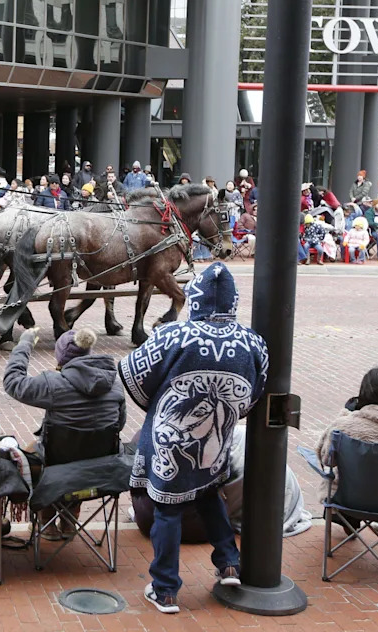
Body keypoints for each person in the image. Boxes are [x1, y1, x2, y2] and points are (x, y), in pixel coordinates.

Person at [117, 262, 268, 614]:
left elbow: (134, 374)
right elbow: (254, 394)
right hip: (215, 441)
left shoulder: (174, 335)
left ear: (196, 298)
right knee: (208, 494)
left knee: (167, 510)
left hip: (171, 437)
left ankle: (166, 589)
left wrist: (162, 403)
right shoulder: (253, 342)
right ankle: (229, 562)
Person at [3, 325, 124, 538]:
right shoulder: (114, 383)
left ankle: (46, 521)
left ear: (61, 358)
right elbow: (119, 424)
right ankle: (69, 521)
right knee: (80, 454)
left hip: (57, 462)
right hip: (102, 464)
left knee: (32, 455)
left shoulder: (54, 383)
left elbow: (13, 382)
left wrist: (25, 344)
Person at [316, 367, 378, 502]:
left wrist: (344, 414)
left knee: (338, 480)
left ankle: (346, 523)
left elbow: (327, 459)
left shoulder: (343, 427)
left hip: (349, 500)